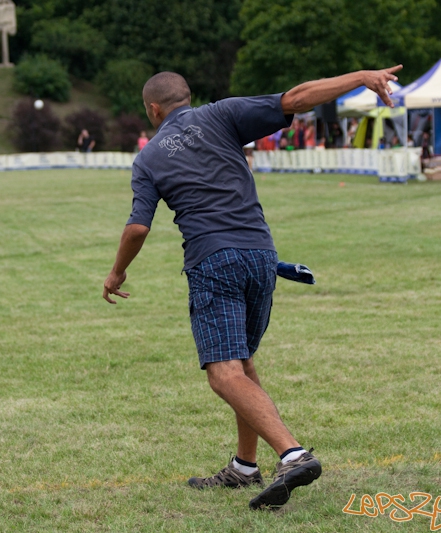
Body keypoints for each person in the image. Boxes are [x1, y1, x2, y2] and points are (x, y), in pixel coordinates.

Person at [102, 65, 402, 511]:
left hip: (213, 261)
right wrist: (360, 77)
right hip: (262, 256)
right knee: (241, 361)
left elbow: (137, 228)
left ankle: (293, 454)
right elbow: (297, 97)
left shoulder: (148, 158)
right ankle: (245, 466)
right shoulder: (222, 115)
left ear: (153, 109)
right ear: (189, 96)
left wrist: (116, 273)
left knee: (224, 376)